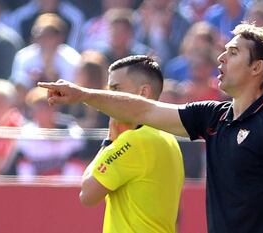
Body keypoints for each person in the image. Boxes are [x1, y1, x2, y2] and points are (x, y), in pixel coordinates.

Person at [39, 22, 263, 233]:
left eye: (233, 52)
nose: (221, 58)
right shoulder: (214, 116)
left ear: (257, 68)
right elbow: (144, 109)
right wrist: (83, 94)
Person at [78, 56, 185, 233]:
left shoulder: (135, 141)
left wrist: (109, 141)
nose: (109, 96)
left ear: (143, 92)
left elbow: (87, 195)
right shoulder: (168, 138)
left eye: (116, 88)